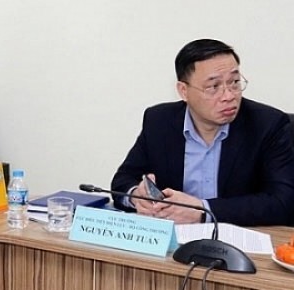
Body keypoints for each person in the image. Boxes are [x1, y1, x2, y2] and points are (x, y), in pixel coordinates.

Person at [111, 38, 294, 227]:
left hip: (239, 237)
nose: (229, 96)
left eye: (234, 82)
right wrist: (136, 196)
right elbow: (123, 180)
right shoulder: (159, 121)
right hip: (176, 239)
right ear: (184, 91)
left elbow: (284, 203)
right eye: (214, 87)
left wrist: (202, 210)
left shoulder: (268, 125)